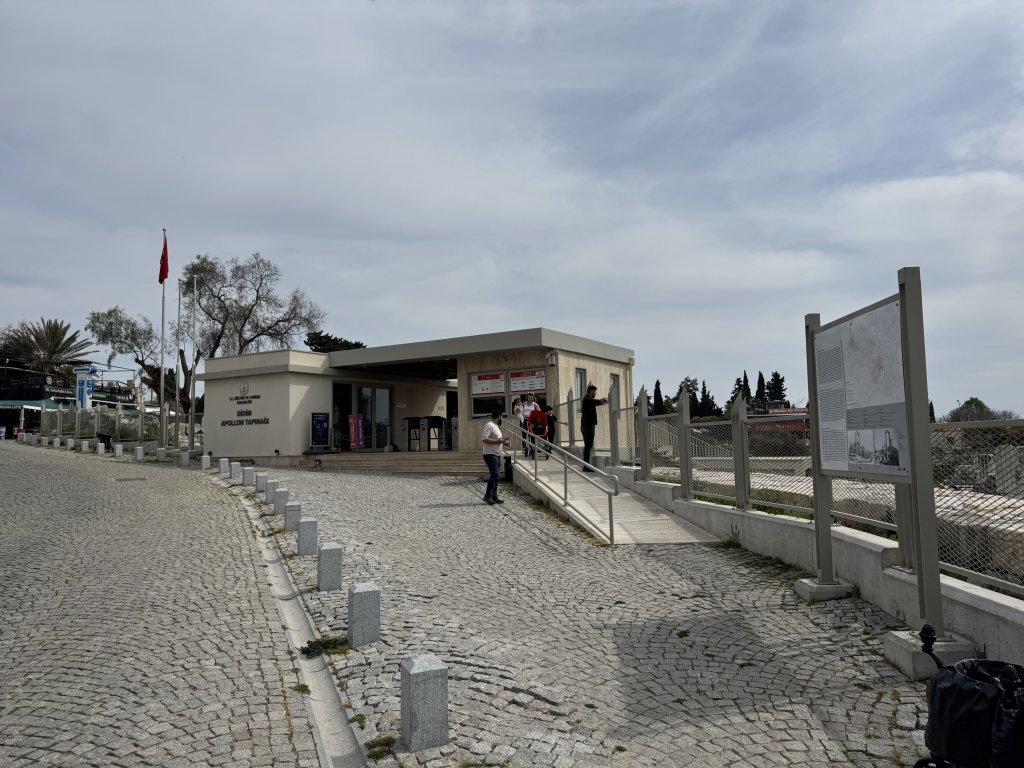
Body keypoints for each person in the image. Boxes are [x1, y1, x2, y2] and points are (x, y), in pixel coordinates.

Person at [481, 409, 509, 504]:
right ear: (499, 416)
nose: (502, 419)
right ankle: (487, 496)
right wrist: (499, 441)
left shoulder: (496, 426)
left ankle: (494, 495)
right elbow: (484, 439)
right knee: (495, 474)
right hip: (490, 454)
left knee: (496, 475)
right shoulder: (489, 425)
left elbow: (497, 440)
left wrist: (504, 442)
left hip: (496, 454)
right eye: (502, 417)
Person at [580, 384, 608, 470]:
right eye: (594, 391)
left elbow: (596, 403)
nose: (595, 393)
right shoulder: (587, 400)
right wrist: (604, 400)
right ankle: (586, 466)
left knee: (588, 446)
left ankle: (586, 465)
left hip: (587, 425)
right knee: (588, 446)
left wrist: (603, 402)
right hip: (588, 426)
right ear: (590, 391)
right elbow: (597, 402)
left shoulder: (588, 400)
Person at [521, 392, 541, 456]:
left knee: (532, 434)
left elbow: (539, 412)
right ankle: (524, 448)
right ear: (527, 397)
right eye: (529, 397)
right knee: (524, 434)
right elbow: (519, 411)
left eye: (531, 397)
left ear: (533, 398)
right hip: (525, 419)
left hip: (532, 420)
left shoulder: (535, 404)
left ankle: (532, 447)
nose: (530, 398)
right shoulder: (524, 404)